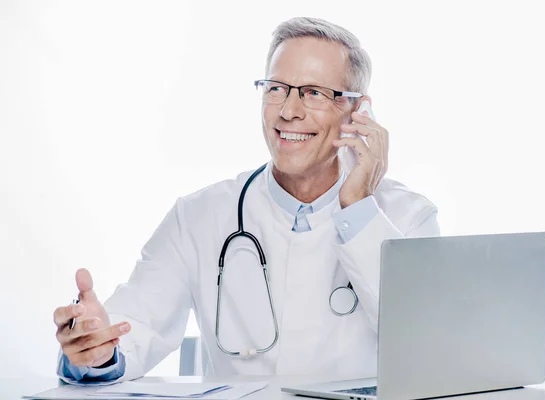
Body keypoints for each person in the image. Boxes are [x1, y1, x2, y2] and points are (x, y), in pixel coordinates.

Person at [53, 16, 440, 384]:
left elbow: (429, 346)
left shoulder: (409, 217)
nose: (289, 111)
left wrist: (357, 207)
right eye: (276, 89)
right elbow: (132, 326)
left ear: (359, 110)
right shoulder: (198, 216)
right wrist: (95, 347)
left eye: (314, 93)